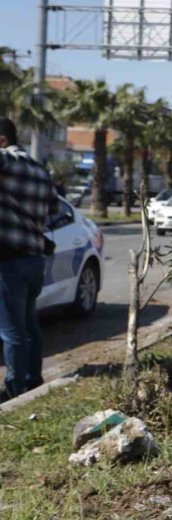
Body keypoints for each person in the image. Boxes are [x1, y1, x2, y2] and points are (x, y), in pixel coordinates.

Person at [0, 119, 58, 401]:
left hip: (9, 260)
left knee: (12, 331)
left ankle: (15, 388)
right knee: (29, 323)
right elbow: (55, 208)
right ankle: (34, 379)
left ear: (2, 141)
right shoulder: (40, 170)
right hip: (34, 259)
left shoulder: (7, 162)